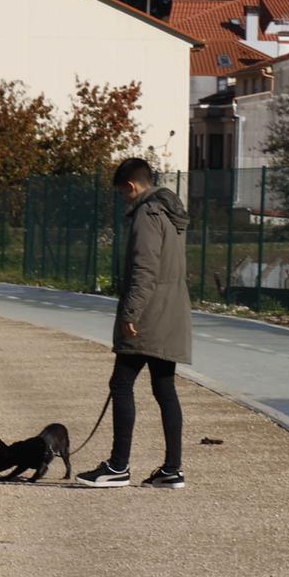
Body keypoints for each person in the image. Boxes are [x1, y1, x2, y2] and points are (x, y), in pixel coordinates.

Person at [76, 158, 191, 488]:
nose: (123, 199)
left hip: (148, 316)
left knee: (121, 384)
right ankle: (173, 469)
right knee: (164, 388)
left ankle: (117, 467)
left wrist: (130, 314)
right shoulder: (171, 213)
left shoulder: (147, 214)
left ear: (131, 186)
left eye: (122, 193)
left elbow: (144, 269)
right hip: (170, 312)